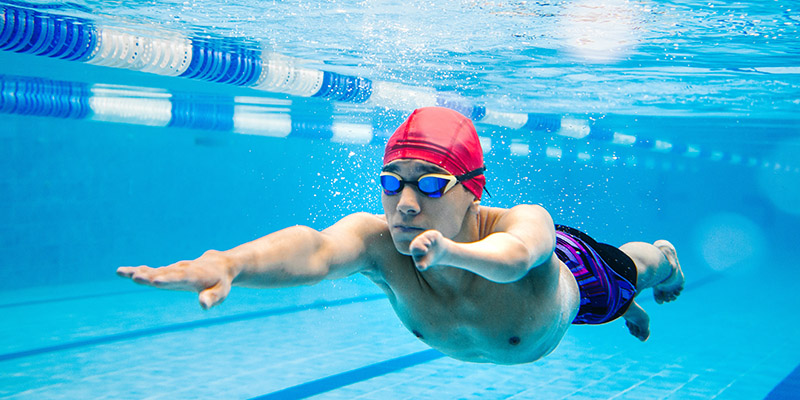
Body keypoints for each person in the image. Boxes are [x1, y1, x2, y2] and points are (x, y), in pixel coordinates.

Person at [117, 107, 684, 365]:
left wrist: (454, 252)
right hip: (515, 311)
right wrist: (230, 262)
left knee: (639, 270)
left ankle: (662, 262)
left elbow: (516, 259)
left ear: (473, 189)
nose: (405, 204)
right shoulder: (383, 243)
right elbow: (314, 249)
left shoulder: (524, 220)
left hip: (578, 279)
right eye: (392, 183)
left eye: (431, 185)